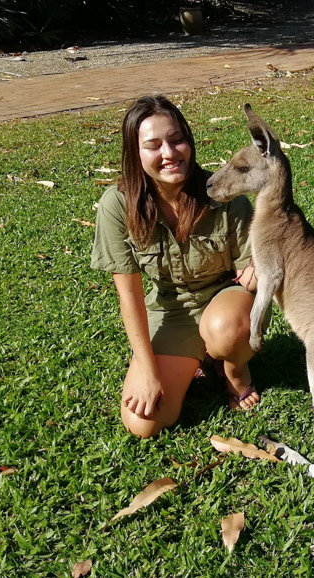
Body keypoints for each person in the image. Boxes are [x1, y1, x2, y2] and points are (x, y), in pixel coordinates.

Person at [91, 95, 260, 438]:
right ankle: (201, 362)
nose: (169, 153)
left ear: (189, 141)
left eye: (177, 139)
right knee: (144, 422)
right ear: (135, 155)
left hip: (226, 301)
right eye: (153, 146)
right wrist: (149, 370)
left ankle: (233, 368)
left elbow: (251, 273)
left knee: (226, 329)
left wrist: (260, 270)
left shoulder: (225, 195)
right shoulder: (118, 205)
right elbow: (130, 297)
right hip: (170, 309)